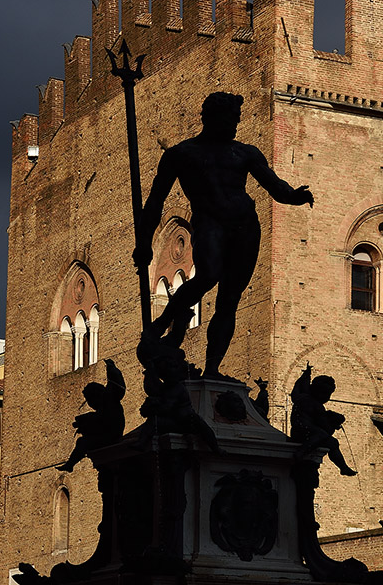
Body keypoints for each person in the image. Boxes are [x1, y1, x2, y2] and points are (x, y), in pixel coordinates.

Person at [134, 92, 313, 377]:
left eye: (237, 119)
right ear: (210, 118)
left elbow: (274, 185)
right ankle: (162, 323)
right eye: (230, 118)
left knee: (229, 299)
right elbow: (155, 202)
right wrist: (144, 243)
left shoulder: (245, 153)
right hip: (210, 224)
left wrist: (294, 196)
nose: (234, 124)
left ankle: (212, 369)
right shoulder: (181, 154)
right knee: (206, 277)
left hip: (245, 226)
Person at [289, 364, 357, 475]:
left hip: (297, 432)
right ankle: (302, 452)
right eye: (326, 394)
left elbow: (297, 388)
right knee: (329, 439)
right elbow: (325, 428)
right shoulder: (316, 405)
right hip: (306, 434)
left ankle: (343, 467)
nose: (327, 397)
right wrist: (334, 423)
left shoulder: (301, 397)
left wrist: (305, 376)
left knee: (328, 440)